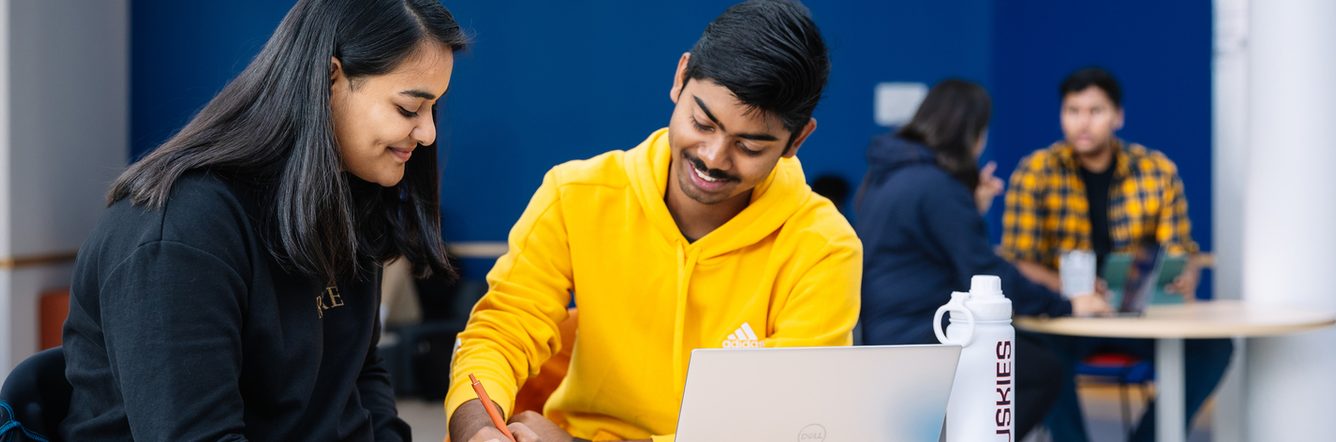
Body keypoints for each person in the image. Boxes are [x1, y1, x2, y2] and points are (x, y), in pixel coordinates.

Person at [445, 2, 859, 441]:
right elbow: (501, 331)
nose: (713, 157)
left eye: (750, 147)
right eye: (703, 122)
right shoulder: (576, 195)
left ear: (797, 139)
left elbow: (784, 424)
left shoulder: (824, 248)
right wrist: (475, 430)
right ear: (681, 78)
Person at [60, 0, 467, 440]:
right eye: (409, 109)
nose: (428, 134)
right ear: (330, 78)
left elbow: (358, 378)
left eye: (433, 110)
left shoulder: (347, 201)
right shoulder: (178, 232)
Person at [854, 79, 1110, 440]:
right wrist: (1066, 305)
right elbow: (986, 274)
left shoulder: (887, 177)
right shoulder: (936, 186)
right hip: (925, 335)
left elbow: (925, 254)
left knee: (1036, 361)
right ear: (971, 132)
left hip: (886, 334)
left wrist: (970, 207)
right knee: (1043, 371)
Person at [999, 67, 1233, 441]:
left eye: (1095, 111)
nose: (1083, 123)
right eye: (1072, 111)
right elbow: (1019, 258)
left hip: (1138, 316)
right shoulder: (1035, 172)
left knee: (1213, 349)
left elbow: (1180, 251)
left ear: (1118, 116)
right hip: (1066, 318)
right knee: (1039, 357)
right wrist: (1068, 289)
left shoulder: (1155, 170)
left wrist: (1185, 274)